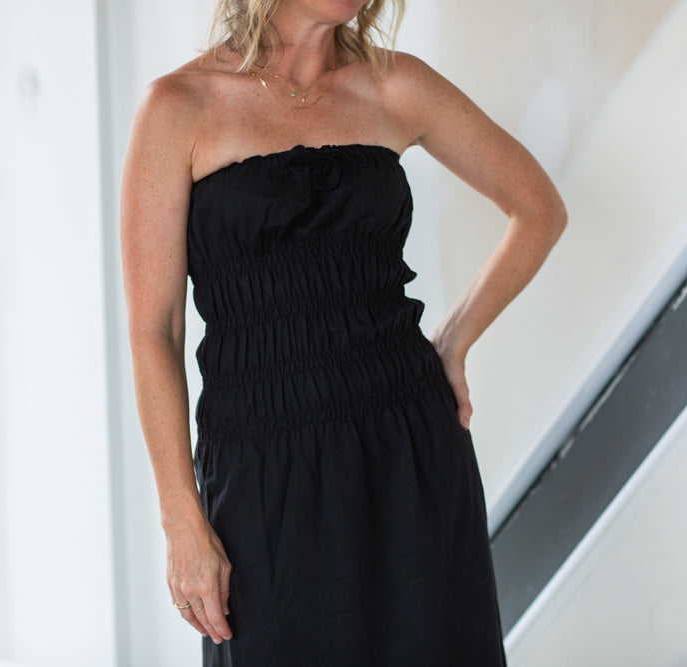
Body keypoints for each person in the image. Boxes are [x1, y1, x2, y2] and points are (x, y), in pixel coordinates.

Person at [119, 0, 567, 664]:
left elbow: (538, 208)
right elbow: (154, 328)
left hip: (407, 450)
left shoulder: (396, 85)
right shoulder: (177, 107)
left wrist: (455, 340)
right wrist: (180, 518)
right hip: (260, 474)